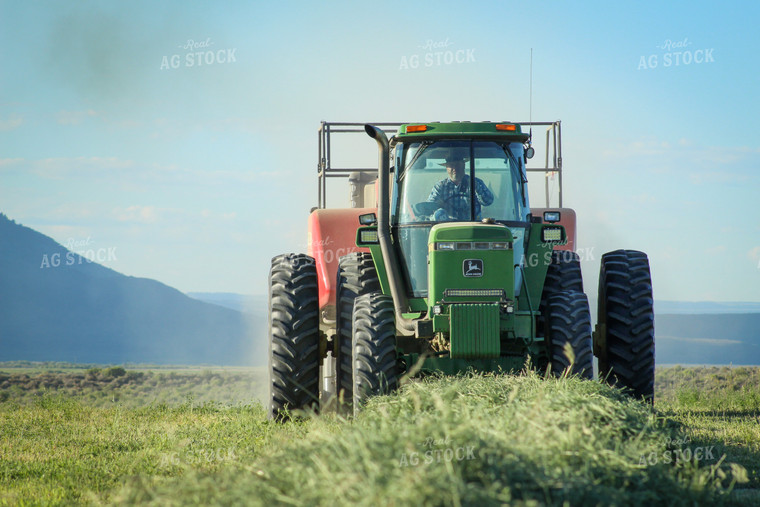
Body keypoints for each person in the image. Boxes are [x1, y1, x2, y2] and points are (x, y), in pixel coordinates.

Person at [427, 153, 494, 221]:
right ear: (447, 168)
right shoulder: (440, 186)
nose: (455, 168)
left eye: (457, 165)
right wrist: (438, 207)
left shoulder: (476, 182)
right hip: (448, 228)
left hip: (473, 226)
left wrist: (477, 188)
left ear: (463, 166)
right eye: (451, 165)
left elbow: (488, 201)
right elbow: (429, 207)